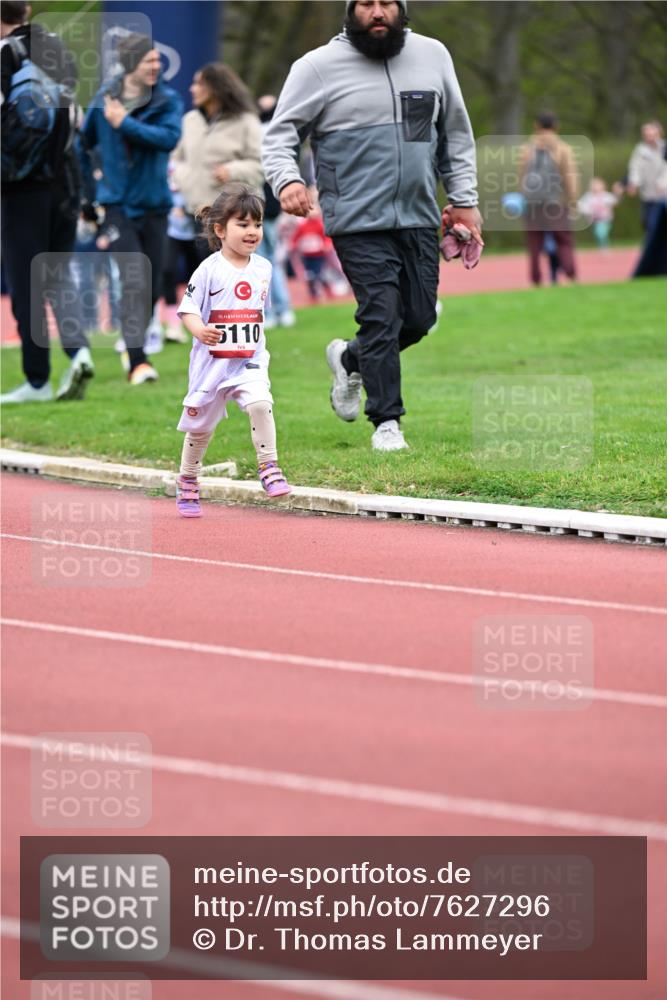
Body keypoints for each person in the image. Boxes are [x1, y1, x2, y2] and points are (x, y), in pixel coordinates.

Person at [263, 0, 481, 452]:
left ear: (403, 9)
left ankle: (349, 357)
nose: (377, 12)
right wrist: (286, 181)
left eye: (387, 3)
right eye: (366, 4)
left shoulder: (433, 55)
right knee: (381, 314)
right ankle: (387, 422)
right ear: (351, 10)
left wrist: (464, 200)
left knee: (419, 318)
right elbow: (280, 134)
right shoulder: (316, 67)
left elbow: (455, 134)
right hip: (356, 217)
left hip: (419, 214)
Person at [174, 183, 291, 518]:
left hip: (249, 360)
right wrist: (201, 330)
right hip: (212, 364)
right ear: (220, 230)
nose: (252, 231)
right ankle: (188, 479)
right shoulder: (209, 269)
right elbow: (188, 308)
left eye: (256, 224)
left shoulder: (264, 268)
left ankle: (269, 468)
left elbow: (254, 310)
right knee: (200, 429)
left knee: (260, 403)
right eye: (243, 224)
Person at [1, 0, 94, 404]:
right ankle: (79, 353)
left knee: (26, 284)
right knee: (58, 276)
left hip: (22, 186)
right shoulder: (56, 49)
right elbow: (73, 117)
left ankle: (36, 380)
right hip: (65, 181)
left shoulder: (6, 55)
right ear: (29, 9)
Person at [79, 32, 182, 384]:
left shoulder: (167, 100)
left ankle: (132, 344)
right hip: (117, 206)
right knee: (135, 278)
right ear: (130, 66)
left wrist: (125, 123)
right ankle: (139, 361)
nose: (156, 66)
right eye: (148, 61)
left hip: (155, 205)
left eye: (157, 61)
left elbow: (168, 139)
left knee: (151, 286)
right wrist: (89, 193)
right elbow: (81, 145)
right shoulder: (105, 98)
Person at [171, 62, 262, 263]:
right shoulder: (190, 120)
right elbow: (176, 158)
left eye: (199, 84)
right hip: (197, 213)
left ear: (216, 87)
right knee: (206, 280)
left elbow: (261, 164)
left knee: (236, 280)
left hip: (235, 215)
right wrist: (184, 177)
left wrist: (231, 170)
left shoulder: (246, 120)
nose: (192, 88)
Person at [519, 111, 579, 287]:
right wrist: (572, 201)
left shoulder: (526, 149)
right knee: (564, 240)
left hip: (532, 203)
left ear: (536, 126)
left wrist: (523, 198)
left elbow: (521, 177)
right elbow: (570, 177)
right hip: (556, 202)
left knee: (534, 243)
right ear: (556, 126)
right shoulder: (563, 148)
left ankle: (536, 279)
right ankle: (570, 274)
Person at [256, 94, 295, 329]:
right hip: (272, 205)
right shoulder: (283, 133)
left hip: (265, 206)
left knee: (263, 262)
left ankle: (272, 311)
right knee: (272, 261)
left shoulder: (261, 133)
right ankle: (282, 309)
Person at [627, 121, 667, 231]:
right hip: (648, 195)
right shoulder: (640, 150)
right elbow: (635, 167)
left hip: (664, 194)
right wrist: (633, 183)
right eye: (646, 135)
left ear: (659, 133)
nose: (649, 138)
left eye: (652, 135)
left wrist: (663, 182)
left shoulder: (664, 148)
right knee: (648, 223)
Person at [577, 177, 619, 251]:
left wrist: (617, 193)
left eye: (598, 185)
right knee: (597, 234)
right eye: (594, 185)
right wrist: (587, 210)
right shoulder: (589, 196)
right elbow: (581, 205)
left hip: (605, 219)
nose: (596, 187)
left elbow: (614, 200)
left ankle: (604, 246)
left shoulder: (606, 195)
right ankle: (602, 246)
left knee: (601, 232)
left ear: (603, 186)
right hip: (594, 220)